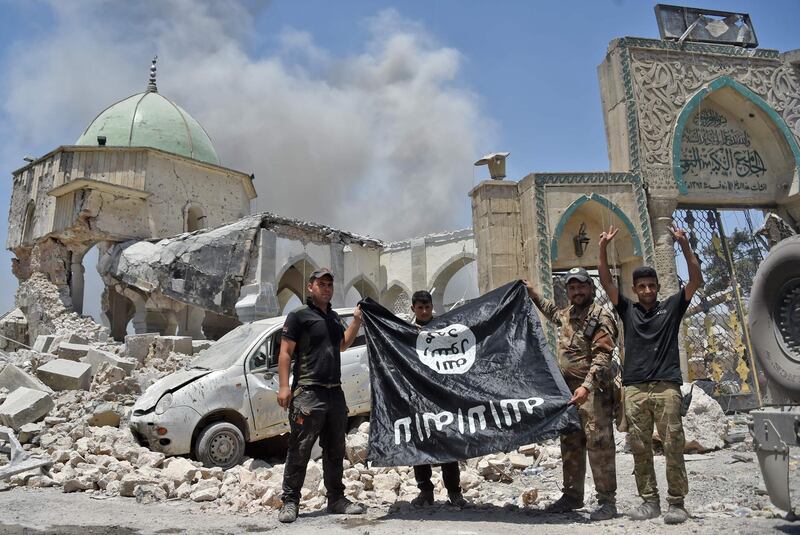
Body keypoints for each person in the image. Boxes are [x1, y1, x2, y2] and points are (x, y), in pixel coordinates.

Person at [598, 225, 702, 525]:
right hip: (635, 389)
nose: (646, 291)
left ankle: (677, 503)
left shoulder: (671, 308)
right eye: (641, 286)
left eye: (651, 286)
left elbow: (695, 279)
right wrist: (603, 248)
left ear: (657, 287)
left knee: (672, 444)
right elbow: (605, 282)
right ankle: (649, 501)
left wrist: (684, 244)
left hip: (666, 387)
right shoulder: (627, 310)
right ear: (635, 289)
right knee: (640, 447)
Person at [524, 269, 619, 521]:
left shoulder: (601, 316)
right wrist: (533, 294)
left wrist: (586, 386)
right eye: (572, 288)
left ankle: (607, 501)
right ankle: (572, 495)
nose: (577, 292)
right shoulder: (568, 315)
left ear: (591, 288)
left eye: (582, 287)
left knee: (599, 445)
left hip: (593, 392)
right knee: (571, 443)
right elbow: (553, 312)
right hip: (568, 392)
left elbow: (603, 357)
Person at [276, 268, 366, 523]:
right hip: (308, 393)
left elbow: (342, 345)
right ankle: (290, 501)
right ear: (310, 288)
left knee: (335, 449)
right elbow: (285, 353)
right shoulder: (298, 317)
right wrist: (285, 387)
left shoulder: (334, 318)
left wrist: (356, 320)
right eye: (321, 284)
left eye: (330, 285)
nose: (327, 288)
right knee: (300, 449)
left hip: (334, 393)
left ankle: (336, 498)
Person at [406, 290, 468, 508]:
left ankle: (454, 492)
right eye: (420, 308)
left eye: (427, 307)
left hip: (442, 397)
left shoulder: (444, 329)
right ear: (413, 308)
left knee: (447, 442)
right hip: (418, 397)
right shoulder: (405, 332)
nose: (424, 311)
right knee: (420, 444)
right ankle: (425, 491)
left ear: (432, 307)